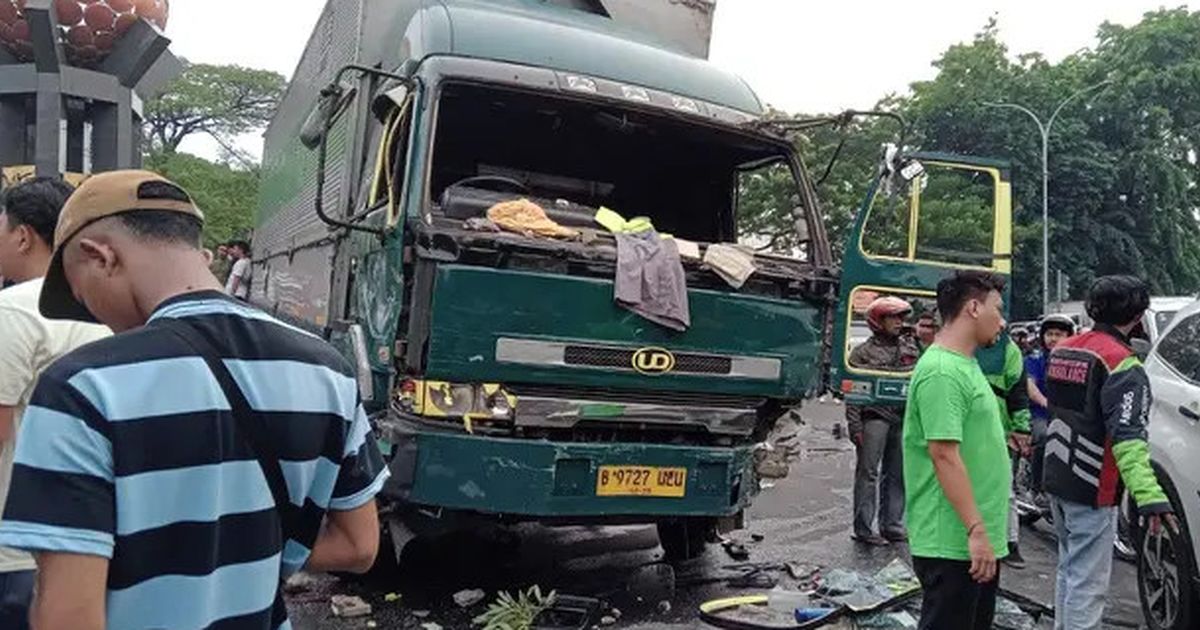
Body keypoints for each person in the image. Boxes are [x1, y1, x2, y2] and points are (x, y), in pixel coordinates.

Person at [0, 171, 389, 630]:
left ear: (99, 255)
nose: (94, 315)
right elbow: (359, 547)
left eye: (83, 296)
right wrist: (234, 553)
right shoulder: (327, 370)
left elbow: (68, 617)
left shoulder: (82, 386)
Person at [0, 178, 110, 630]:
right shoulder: (104, 304)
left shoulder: (13, 310)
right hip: (86, 539)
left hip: (11, 544)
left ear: (23, 236)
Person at [1042, 276, 1177, 630]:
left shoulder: (1065, 348)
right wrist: (1150, 496)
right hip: (1091, 486)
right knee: (1087, 584)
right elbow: (1129, 438)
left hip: (1056, 476)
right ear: (1137, 315)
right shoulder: (1122, 363)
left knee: (1068, 572)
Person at [904, 270, 1010, 630]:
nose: (1003, 320)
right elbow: (943, 455)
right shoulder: (942, 372)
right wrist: (975, 530)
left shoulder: (964, 364)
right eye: (998, 308)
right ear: (974, 308)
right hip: (952, 540)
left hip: (972, 539)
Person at [847, 296, 920, 545]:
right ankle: (864, 529)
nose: (899, 322)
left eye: (901, 317)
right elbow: (853, 392)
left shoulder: (911, 349)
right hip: (874, 417)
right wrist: (855, 425)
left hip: (902, 417)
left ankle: (892, 525)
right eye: (893, 317)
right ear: (879, 320)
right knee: (868, 473)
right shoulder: (862, 353)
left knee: (898, 473)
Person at [985, 338, 1032, 569]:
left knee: (1005, 489)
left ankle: (1009, 542)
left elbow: (1018, 390)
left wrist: (1021, 428)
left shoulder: (1008, 350)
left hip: (1000, 430)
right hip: (963, 428)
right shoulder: (958, 342)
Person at [1024, 314, 1075, 501]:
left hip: (1067, 414)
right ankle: (1036, 488)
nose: (1053, 338)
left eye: (1059, 334)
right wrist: (1046, 403)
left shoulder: (1076, 360)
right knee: (1046, 437)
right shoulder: (1035, 359)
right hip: (1040, 414)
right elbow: (1030, 385)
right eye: (1050, 334)